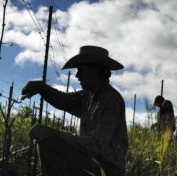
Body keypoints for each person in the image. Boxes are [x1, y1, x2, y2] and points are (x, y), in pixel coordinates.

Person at [22, 45, 128, 176]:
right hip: (93, 162)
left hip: (107, 170)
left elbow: (96, 145)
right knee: (50, 143)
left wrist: (55, 133)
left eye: (81, 70)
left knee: (49, 142)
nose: (77, 75)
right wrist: (43, 88)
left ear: (95, 70)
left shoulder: (110, 100)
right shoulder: (88, 97)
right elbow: (64, 100)